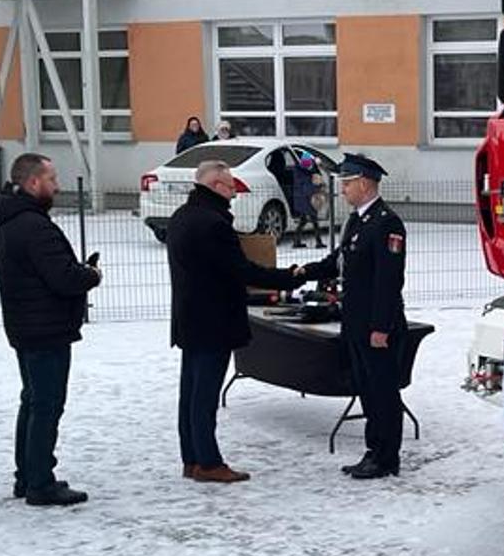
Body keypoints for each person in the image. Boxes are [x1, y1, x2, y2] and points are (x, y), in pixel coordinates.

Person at [166, 159, 306, 482]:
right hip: (213, 322)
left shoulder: (182, 216)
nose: (234, 192)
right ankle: (208, 463)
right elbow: (241, 271)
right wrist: (288, 278)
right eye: (231, 186)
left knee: (191, 393)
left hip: (189, 319)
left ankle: (192, 458)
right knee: (204, 396)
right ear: (216, 186)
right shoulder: (213, 224)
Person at [0, 153, 102, 507]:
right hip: (44, 328)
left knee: (33, 401)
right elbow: (63, 278)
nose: (57, 186)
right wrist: (90, 275)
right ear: (33, 182)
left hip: (27, 326)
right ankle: (39, 481)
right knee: (46, 405)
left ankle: (27, 475)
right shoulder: (34, 226)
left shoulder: (12, 221)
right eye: (52, 179)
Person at [296, 153, 407, 480]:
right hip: (356, 322)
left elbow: (389, 281)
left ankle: (386, 457)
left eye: (347, 184)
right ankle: (373, 450)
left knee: (383, 392)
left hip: (376, 325)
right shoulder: (358, 221)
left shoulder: (386, 223)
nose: (342, 190)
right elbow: (339, 261)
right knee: (367, 390)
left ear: (364, 184)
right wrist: (303, 272)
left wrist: (381, 327)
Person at [287, 151, 326, 249]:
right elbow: (307, 186)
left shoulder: (302, 170)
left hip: (303, 198)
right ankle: (318, 242)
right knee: (313, 220)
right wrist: (317, 187)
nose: (310, 166)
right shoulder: (303, 173)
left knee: (303, 220)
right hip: (306, 198)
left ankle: (297, 241)